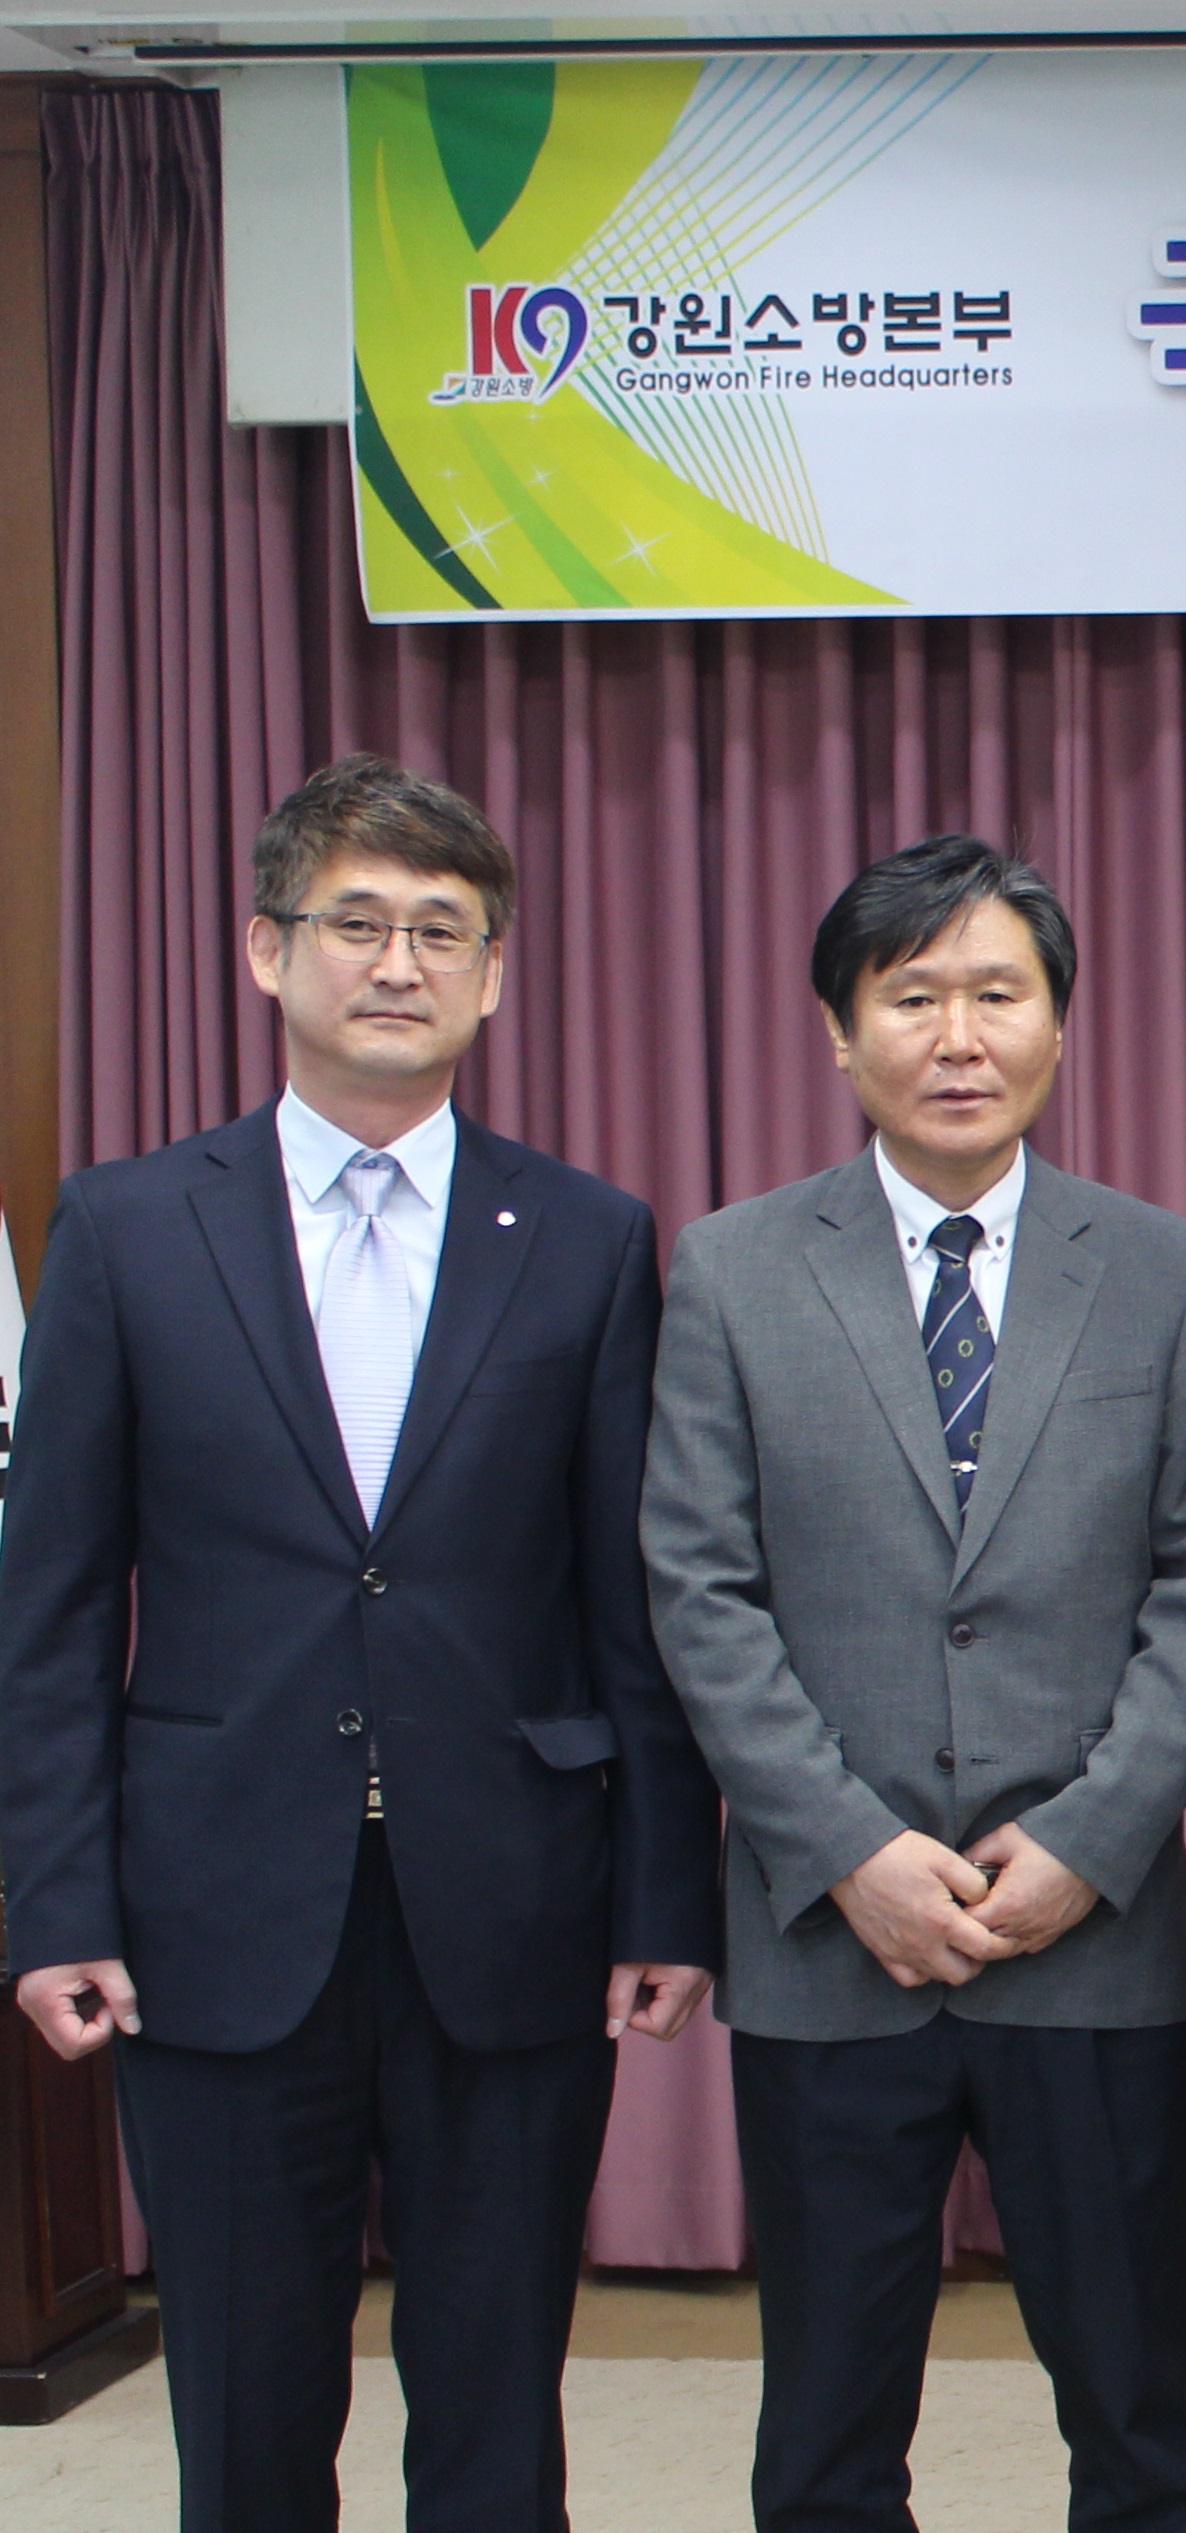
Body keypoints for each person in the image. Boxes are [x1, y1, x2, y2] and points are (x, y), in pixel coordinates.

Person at [0, 754, 721, 2531]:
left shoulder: (586, 1238)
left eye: (441, 930)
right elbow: (55, 1602)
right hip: (215, 1905)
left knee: (497, 2407)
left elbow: (629, 1602)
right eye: (357, 922)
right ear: (267, 950)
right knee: (246, 2410)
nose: (398, 962)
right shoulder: (128, 1227)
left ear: (494, 973)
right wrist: (55, 1897)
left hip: (513, 1903)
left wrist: (664, 1897)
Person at [642, 835, 1186, 2533]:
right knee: (827, 2429)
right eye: (912, 997)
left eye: (997, 993)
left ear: (1058, 1024)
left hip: (1091, 1939)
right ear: (842, 1032)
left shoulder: (1165, 1268)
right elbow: (699, 1584)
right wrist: (848, 1848)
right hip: (834, 1941)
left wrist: (1092, 1840)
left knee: (1138, 2415)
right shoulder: (735, 1267)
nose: (959, 1036)